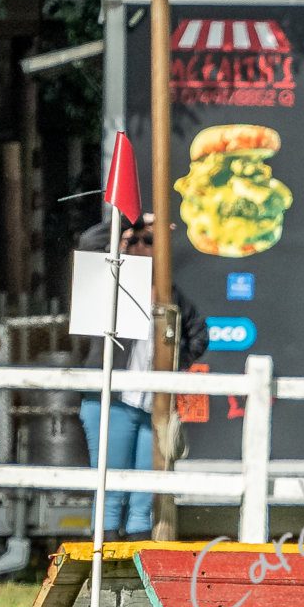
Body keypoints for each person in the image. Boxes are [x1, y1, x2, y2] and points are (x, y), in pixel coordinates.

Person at [75, 214, 208, 536]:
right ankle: (105, 554)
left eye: (148, 241)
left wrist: (174, 362)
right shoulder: (107, 283)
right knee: (110, 489)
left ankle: (138, 551)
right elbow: (89, 242)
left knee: (144, 496)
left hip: (152, 404)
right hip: (112, 401)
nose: (139, 246)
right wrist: (133, 221)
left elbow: (199, 335)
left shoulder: (167, 292)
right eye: (131, 241)